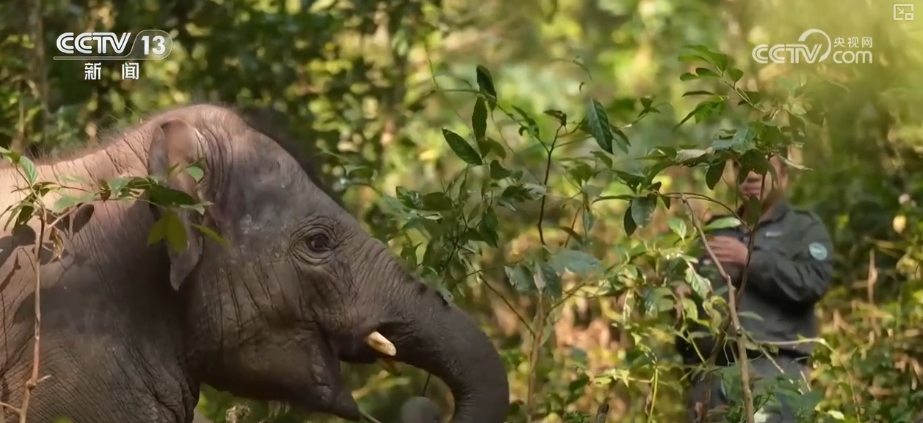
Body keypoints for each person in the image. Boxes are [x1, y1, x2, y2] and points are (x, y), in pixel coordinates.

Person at [675, 153, 834, 423]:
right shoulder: (717, 229)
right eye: (741, 166)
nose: (751, 175)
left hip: (774, 370)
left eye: (763, 166)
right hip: (711, 375)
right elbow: (686, 285)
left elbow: (813, 283)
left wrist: (750, 259)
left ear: (784, 175)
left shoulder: (803, 228)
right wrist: (679, 292)